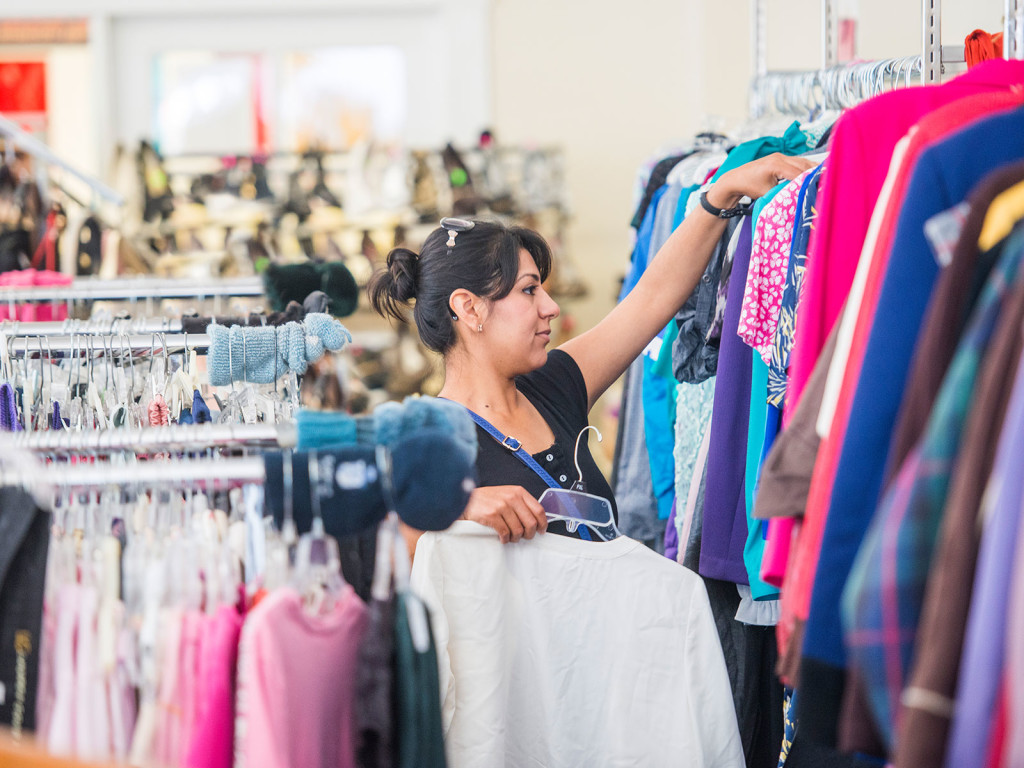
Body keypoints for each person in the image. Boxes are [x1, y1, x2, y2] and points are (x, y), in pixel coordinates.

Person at [368, 153, 813, 545]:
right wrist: (456, 510)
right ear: (469, 308)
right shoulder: (434, 439)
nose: (551, 307)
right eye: (528, 292)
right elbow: (393, 558)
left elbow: (652, 298)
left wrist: (721, 194)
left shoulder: (554, 385)